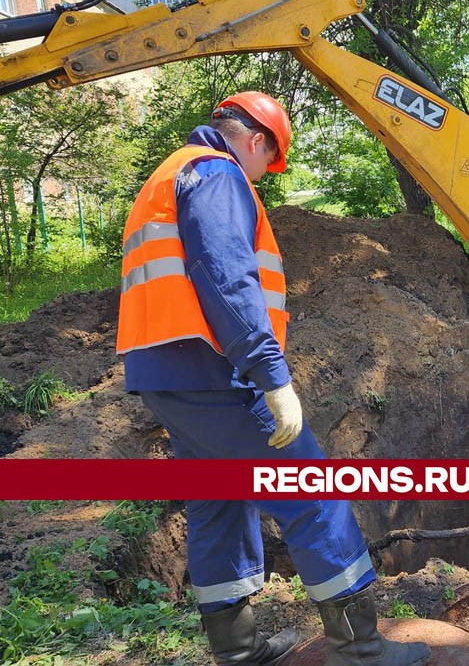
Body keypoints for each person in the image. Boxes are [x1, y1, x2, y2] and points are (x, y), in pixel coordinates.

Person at [116, 91, 430, 666]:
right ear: (256, 140)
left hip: (165, 372)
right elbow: (226, 277)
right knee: (315, 495)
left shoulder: (171, 173)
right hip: (214, 372)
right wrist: (271, 375)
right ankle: (360, 649)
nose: (265, 174)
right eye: (271, 160)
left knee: (219, 499)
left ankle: (237, 651)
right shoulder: (216, 174)